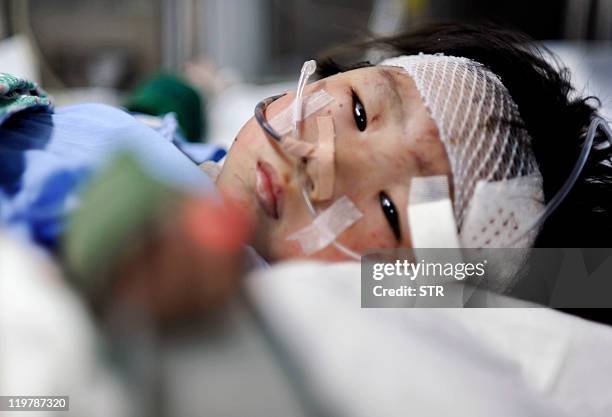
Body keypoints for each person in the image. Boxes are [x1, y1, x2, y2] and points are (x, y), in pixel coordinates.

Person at [1, 23, 610, 322]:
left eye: (394, 213)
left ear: (404, 291)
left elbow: (587, 281)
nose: (319, 161)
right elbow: (151, 120)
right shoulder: (200, 158)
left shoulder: (200, 266)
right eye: (358, 110)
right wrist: (189, 88)